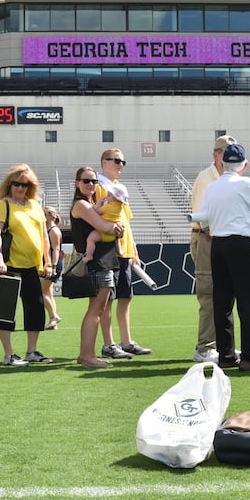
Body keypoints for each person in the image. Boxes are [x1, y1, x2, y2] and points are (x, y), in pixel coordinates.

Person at [196, 143, 250, 371]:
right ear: (244, 165)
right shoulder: (245, 183)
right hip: (242, 244)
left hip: (217, 244)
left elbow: (204, 220)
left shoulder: (212, 187)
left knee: (222, 303)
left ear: (222, 163)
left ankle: (226, 356)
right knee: (249, 301)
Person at [0, 163, 53, 366]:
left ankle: (32, 351)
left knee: (35, 308)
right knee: (4, 311)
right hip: (7, 266)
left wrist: (48, 261)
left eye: (24, 184)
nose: (20, 188)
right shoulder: (2, 205)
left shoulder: (35, 206)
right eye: (16, 183)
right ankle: (9, 355)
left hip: (32, 267)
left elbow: (44, 236)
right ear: (9, 184)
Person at [95, 149, 151, 361]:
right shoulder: (98, 186)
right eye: (116, 160)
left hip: (124, 250)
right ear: (104, 162)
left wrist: (133, 248)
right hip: (108, 248)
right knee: (107, 300)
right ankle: (109, 344)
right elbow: (96, 215)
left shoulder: (120, 188)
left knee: (125, 297)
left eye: (123, 161)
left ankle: (126, 342)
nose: (120, 164)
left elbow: (126, 221)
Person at [69, 166, 125, 368]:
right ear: (77, 183)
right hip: (98, 262)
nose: (91, 185)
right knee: (97, 310)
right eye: (86, 181)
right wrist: (116, 228)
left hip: (103, 260)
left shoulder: (91, 203)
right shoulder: (82, 205)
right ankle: (88, 356)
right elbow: (105, 227)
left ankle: (86, 354)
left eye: (94, 181)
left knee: (97, 309)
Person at [190, 136, 235, 363]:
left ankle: (223, 345)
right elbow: (202, 218)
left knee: (225, 294)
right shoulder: (205, 178)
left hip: (223, 238)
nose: (228, 156)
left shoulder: (229, 178)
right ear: (215, 154)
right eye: (225, 152)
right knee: (208, 293)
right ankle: (205, 347)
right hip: (208, 239)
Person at [42, 206, 63, 330]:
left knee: (41, 292)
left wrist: (53, 266)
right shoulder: (47, 229)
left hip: (53, 264)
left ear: (52, 216)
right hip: (48, 263)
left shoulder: (54, 231)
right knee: (48, 293)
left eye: (45, 213)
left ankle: (54, 316)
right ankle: (52, 321)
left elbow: (56, 250)